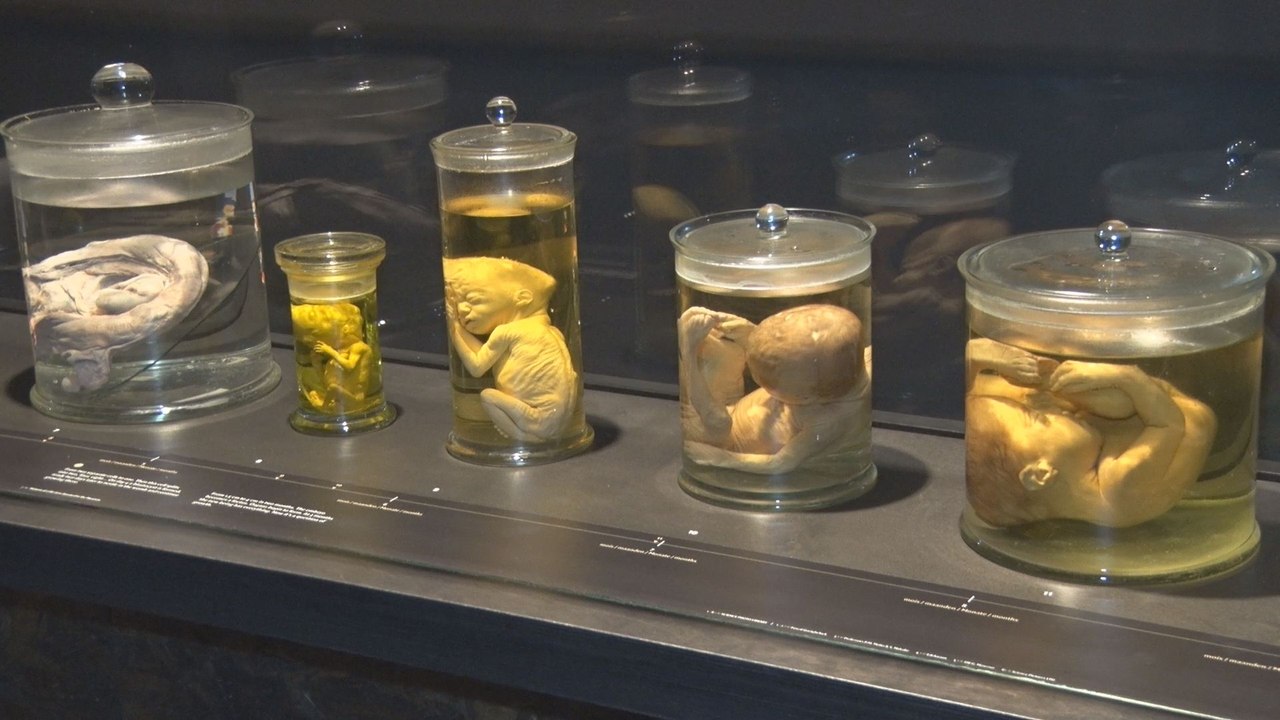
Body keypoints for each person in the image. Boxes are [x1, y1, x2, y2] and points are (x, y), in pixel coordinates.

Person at [965, 337, 1216, 528]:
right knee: (1116, 404)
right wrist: (1128, 377)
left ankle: (1023, 375)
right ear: (1041, 473)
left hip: (1131, 424)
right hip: (1176, 411)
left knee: (1104, 406)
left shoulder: (1084, 473)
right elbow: (1169, 424)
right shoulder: (1121, 488)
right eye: (1040, 419)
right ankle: (1044, 381)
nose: (1054, 415)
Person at [680, 304, 869, 475]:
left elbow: (779, 464)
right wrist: (752, 335)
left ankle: (688, 350)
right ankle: (691, 342)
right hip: (731, 406)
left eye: (769, 385)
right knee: (732, 355)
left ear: (805, 398)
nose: (759, 382)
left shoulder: (828, 423)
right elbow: (797, 362)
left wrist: (719, 458)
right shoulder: (853, 362)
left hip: (728, 442)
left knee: (719, 423)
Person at [444, 256, 577, 441]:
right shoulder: (552, 333)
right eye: (459, 301)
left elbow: (476, 366)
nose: (462, 309)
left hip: (535, 421)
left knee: (488, 396)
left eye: (473, 299)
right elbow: (483, 354)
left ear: (522, 298)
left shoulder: (508, 331)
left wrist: (454, 327)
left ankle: (521, 437)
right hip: (562, 424)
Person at [291, 302, 376, 413]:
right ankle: (328, 407)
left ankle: (325, 407)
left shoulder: (358, 347)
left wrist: (329, 351)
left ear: (345, 330)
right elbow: (327, 382)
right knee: (314, 393)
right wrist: (317, 365)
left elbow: (349, 366)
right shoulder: (339, 355)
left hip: (354, 399)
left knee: (333, 388)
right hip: (339, 398)